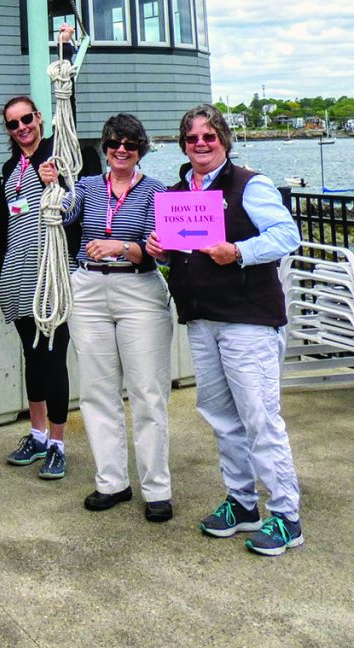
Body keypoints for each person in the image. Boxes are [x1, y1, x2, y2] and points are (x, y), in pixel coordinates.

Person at [146, 104, 303, 555]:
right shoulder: (177, 194)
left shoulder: (250, 185)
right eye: (192, 138)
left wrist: (238, 250)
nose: (200, 144)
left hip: (248, 320)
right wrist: (160, 249)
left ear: (224, 141)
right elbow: (178, 252)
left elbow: (285, 235)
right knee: (222, 419)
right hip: (202, 320)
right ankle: (242, 502)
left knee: (259, 418)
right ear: (183, 144)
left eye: (209, 137)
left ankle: (287, 515)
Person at [41, 114, 173, 521]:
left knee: (148, 392)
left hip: (138, 290)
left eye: (130, 145)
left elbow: (157, 250)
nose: (121, 150)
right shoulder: (87, 187)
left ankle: (157, 489)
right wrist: (52, 185)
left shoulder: (157, 192)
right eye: (114, 143)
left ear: (141, 150)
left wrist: (122, 247)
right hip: (89, 290)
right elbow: (64, 214)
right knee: (97, 391)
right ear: (104, 146)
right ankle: (111, 481)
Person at [0, 23, 92, 480]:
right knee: (32, 358)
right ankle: (35, 437)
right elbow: (4, 220)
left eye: (27, 119)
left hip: (52, 276)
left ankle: (58, 441)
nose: (22, 128)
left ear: (39, 118)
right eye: (13, 124)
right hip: (18, 274)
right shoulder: (10, 166)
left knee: (53, 359)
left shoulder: (60, 153)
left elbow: (66, 102)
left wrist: (66, 50)